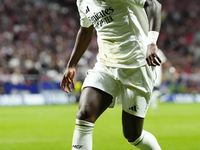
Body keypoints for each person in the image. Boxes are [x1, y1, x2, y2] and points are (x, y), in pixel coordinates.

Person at [60, 0, 162, 149]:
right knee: (84, 114)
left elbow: (154, 4)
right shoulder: (82, 1)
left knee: (133, 135)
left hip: (137, 65)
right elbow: (86, 30)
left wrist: (151, 42)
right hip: (105, 64)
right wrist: (71, 64)